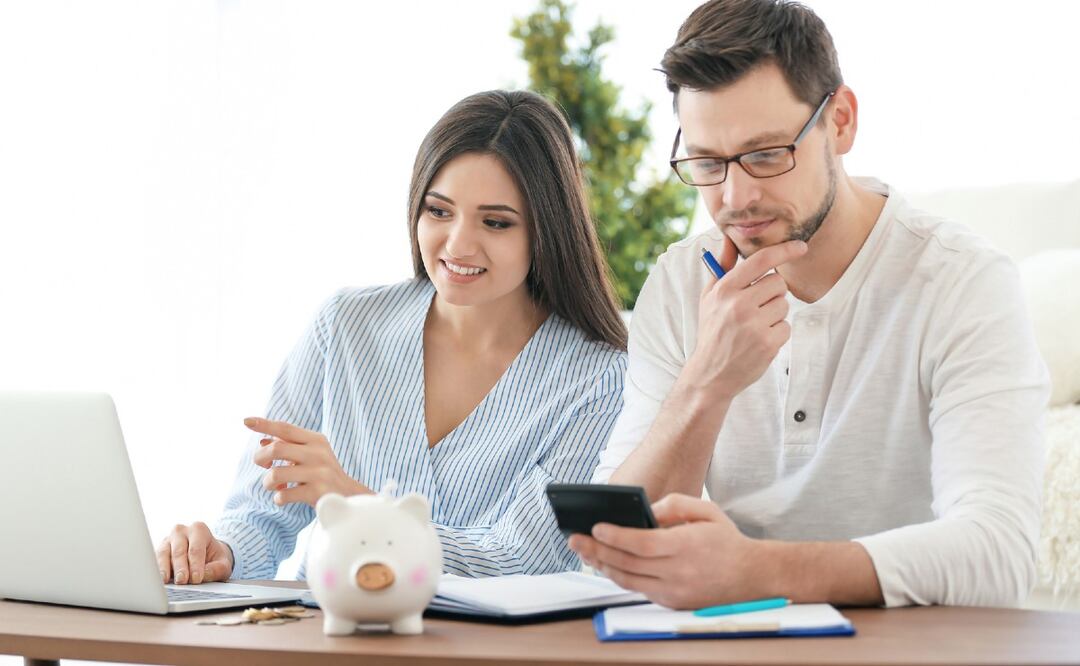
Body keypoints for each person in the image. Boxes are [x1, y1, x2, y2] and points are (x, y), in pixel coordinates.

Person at [569, 0, 1049, 609]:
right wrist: (707, 382)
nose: (735, 197)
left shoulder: (962, 281)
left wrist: (754, 571)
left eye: (767, 154)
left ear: (840, 122)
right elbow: (612, 553)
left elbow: (999, 552)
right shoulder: (680, 284)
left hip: (913, 640)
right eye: (708, 163)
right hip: (742, 640)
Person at [157, 89, 628, 584]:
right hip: (320, 625)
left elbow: (526, 561)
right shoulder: (344, 325)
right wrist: (219, 552)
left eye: (495, 222)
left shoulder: (598, 378)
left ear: (547, 229)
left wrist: (357, 505)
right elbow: (260, 514)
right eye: (439, 211)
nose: (458, 244)